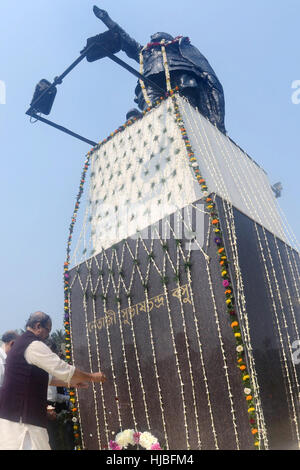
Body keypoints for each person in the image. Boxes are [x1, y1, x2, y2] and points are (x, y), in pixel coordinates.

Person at [88, 5, 226, 133]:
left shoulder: (176, 46)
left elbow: (200, 64)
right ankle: (158, 128)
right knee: (152, 109)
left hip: (179, 71)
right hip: (150, 79)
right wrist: (107, 19)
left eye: (157, 34)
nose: (152, 36)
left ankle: (192, 123)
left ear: (166, 37)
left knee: (187, 100)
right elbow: (125, 39)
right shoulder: (144, 52)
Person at [0, 311, 106, 450]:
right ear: (38, 326)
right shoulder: (33, 345)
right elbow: (62, 368)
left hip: (15, 417)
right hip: (23, 421)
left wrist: (71, 382)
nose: (48, 335)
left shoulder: (21, 344)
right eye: (48, 331)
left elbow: (48, 378)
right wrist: (92, 377)